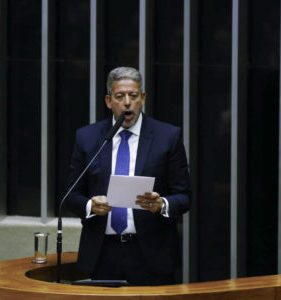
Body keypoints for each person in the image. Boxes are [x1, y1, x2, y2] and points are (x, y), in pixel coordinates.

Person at [65, 66, 191, 286]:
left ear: (142, 98)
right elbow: (71, 195)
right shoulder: (87, 137)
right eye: (119, 96)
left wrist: (161, 204)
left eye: (133, 96)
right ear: (108, 100)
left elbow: (184, 196)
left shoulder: (167, 137)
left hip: (152, 254)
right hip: (103, 253)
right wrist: (90, 207)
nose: (127, 103)